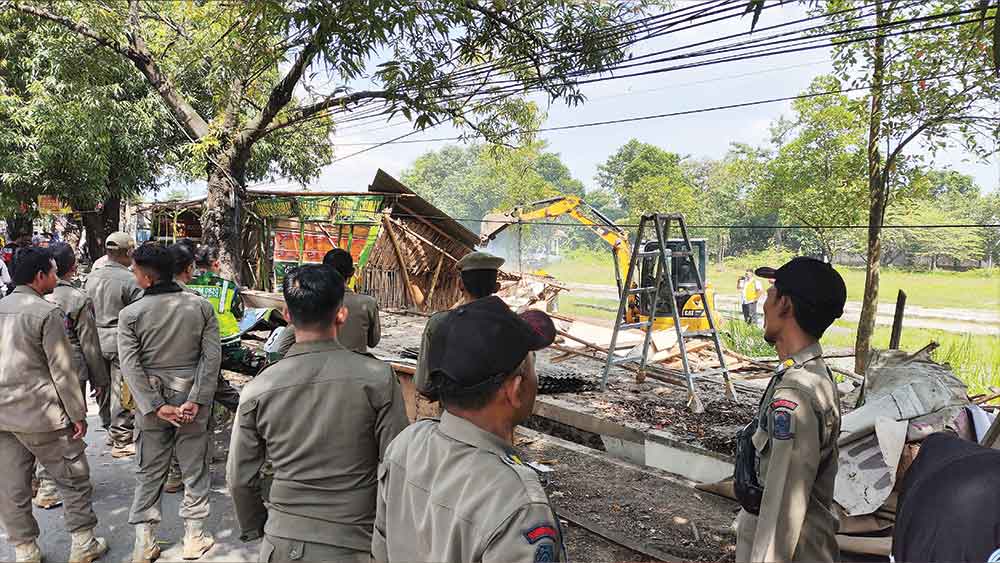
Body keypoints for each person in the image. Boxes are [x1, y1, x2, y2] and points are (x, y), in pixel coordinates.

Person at [228, 264, 408, 563]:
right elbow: (397, 465)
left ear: (286, 314)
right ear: (341, 314)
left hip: (283, 541)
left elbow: (239, 478)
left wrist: (257, 526)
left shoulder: (259, 388)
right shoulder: (377, 378)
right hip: (354, 541)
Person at [373, 296, 562, 562]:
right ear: (515, 389)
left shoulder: (407, 443)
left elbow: (380, 549)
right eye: (532, 366)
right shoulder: (518, 503)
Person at [733, 257, 846, 563]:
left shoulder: (795, 397)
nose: (764, 304)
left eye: (770, 293)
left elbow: (781, 513)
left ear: (785, 304)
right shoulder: (809, 375)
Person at [0, 247, 108, 563]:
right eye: (53, 272)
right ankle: (84, 543)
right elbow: (62, 370)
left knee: (12, 487)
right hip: (42, 414)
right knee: (73, 478)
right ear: (40, 276)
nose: (56, 278)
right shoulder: (46, 313)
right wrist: (78, 415)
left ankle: (25, 550)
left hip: (4, 415)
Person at [118, 243, 222, 562]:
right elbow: (211, 358)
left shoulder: (130, 314)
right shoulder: (201, 307)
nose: (133, 275)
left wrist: (154, 405)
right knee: (195, 469)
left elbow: (130, 366)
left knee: (149, 471)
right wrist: (197, 399)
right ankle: (194, 538)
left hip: (151, 405)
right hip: (192, 401)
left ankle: (144, 542)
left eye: (135, 271)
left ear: (147, 278)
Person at [32, 243, 110, 510]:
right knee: (68, 427)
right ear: (72, 268)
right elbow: (89, 344)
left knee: (42, 424)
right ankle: (54, 485)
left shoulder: (32, 297)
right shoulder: (77, 299)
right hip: (71, 369)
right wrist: (100, 380)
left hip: (36, 370)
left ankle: (41, 483)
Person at [414, 250, 505, 396]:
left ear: (460, 284)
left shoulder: (438, 323)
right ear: (497, 287)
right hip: (498, 408)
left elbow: (423, 384)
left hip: (452, 407)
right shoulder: (514, 327)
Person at [85, 232, 143, 457]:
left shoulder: (92, 277)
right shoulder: (130, 280)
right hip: (120, 340)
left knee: (102, 387)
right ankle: (121, 438)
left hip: (94, 339)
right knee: (121, 390)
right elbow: (140, 314)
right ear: (128, 252)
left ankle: (109, 428)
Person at [269, 248, 382, 359]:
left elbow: (280, 348)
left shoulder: (313, 301)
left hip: (317, 366)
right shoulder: (368, 303)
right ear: (352, 272)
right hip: (357, 366)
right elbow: (373, 341)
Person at [188, 246, 263, 375]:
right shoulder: (228, 287)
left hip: (192, 343)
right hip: (226, 345)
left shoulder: (185, 285)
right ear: (216, 263)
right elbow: (239, 315)